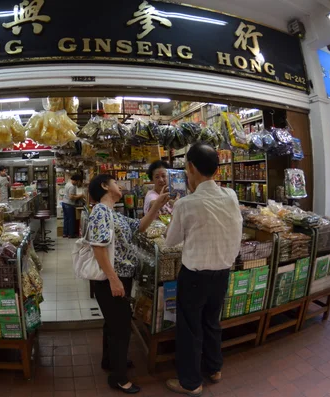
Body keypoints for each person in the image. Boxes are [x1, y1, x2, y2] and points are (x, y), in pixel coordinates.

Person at [164, 143, 242, 396]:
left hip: (195, 276)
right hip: (222, 273)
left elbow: (170, 241)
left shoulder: (186, 204)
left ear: (190, 168)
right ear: (217, 170)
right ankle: (214, 368)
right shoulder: (231, 195)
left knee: (189, 329)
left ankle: (190, 382)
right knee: (212, 322)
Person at [87, 174, 169, 394]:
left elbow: (139, 227)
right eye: (115, 182)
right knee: (121, 328)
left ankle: (110, 361)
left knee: (113, 323)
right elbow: (98, 248)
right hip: (110, 279)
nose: (120, 185)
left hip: (117, 277)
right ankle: (119, 378)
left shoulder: (112, 212)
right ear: (105, 186)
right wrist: (113, 279)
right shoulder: (100, 211)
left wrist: (157, 206)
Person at [62, 174, 84, 238]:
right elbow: (71, 197)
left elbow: (70, 195)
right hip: (69, 204)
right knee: (71, 220)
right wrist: (80, 196)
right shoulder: (72, 186)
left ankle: (65, 233)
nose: (78, 183)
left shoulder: (68, 183)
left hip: (64, 203)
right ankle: (71, 234)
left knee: (66, 219)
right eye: (78, 182)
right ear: (76, 180)